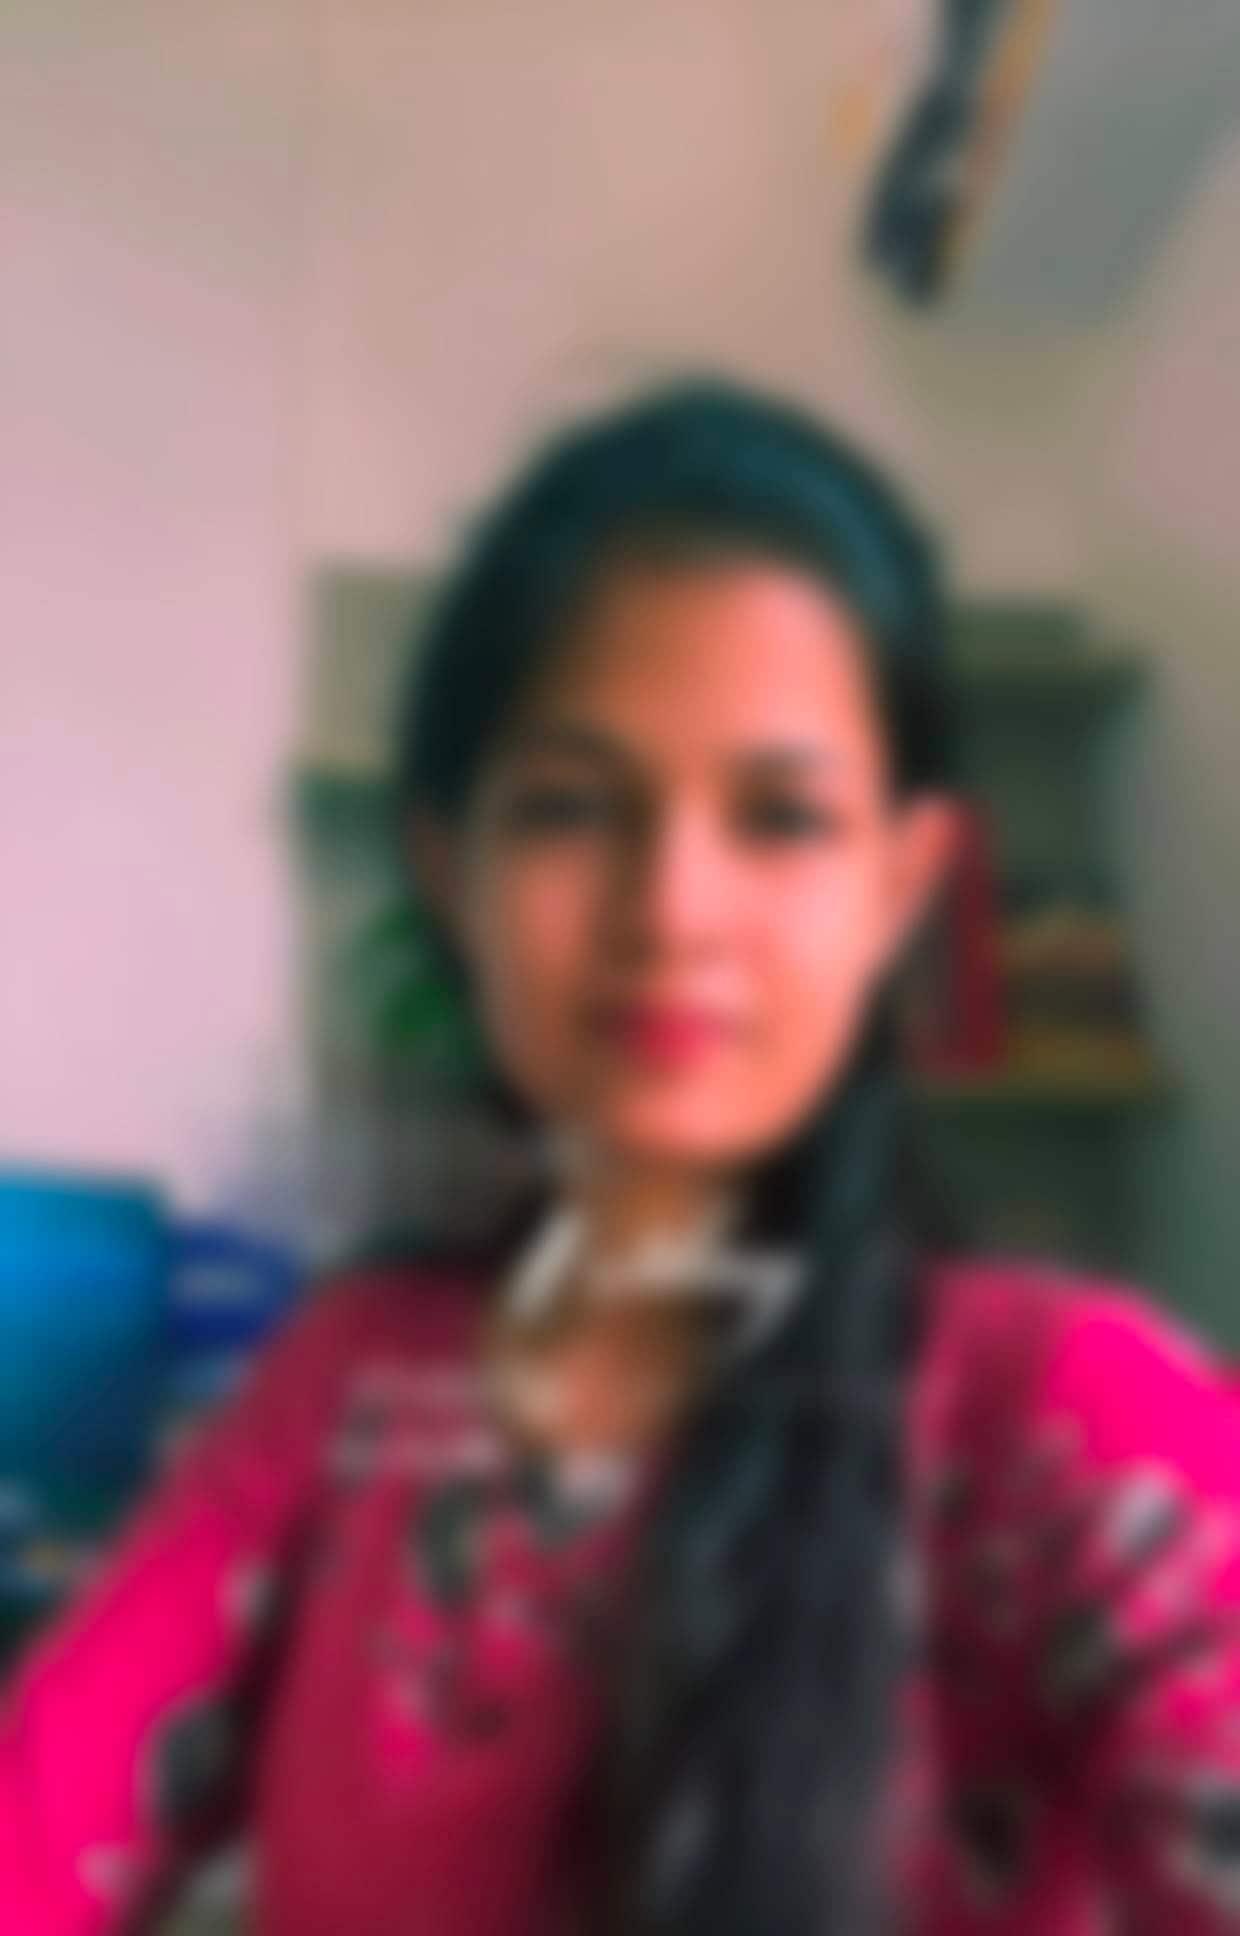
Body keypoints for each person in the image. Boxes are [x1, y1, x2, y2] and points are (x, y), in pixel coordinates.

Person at [3, 379, 1239, 1936]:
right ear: (450, 867)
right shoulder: (350, 1391)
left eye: (779, 818)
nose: (672, 908)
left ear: (901, 885)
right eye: (572, 808)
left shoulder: (1079, 1432)